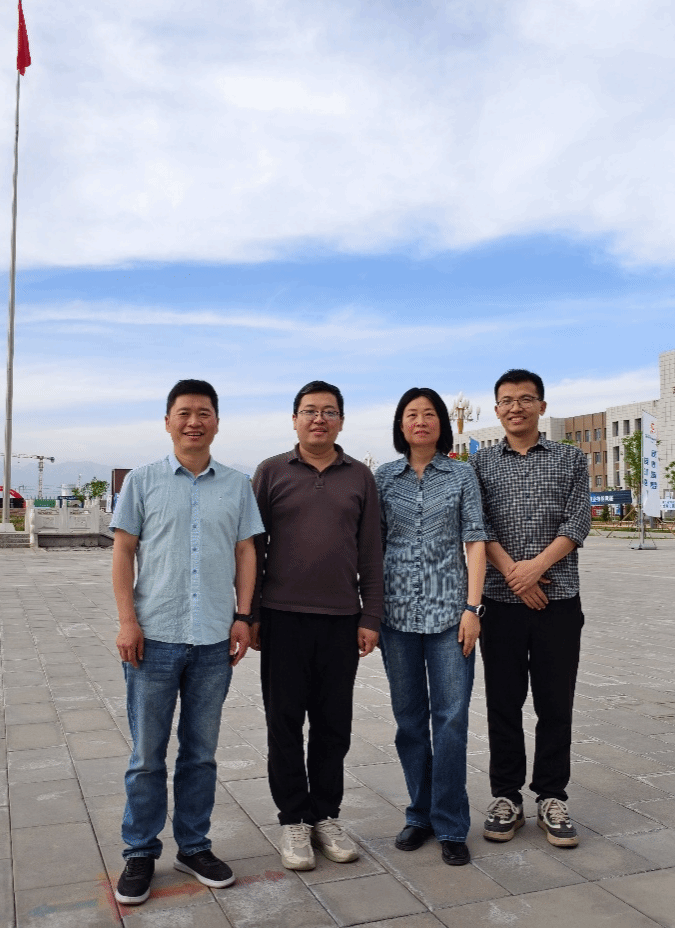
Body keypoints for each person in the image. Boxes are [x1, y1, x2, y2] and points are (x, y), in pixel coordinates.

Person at [110, 379, 265, 905]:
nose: (193, 422)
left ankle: (194, 846)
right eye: (184, 413)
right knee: (147, 755)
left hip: (212, 641)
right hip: (153, 638)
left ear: (217, 422)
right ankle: (139, 850)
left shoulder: (237, 485)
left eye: (203, 413)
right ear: (168, 421)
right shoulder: (142, 481)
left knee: (200, 754)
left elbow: (246, 552)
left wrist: (243, 616)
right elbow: (123, 551)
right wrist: (127, 621)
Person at [249, 380, 384, 871]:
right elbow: (251, 549)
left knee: (333, 726)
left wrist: (371, 615)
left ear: (341, 421)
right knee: (283, 724)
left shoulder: (360, 477)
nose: (319, 419)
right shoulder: (270, 472)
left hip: (341, 621)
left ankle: (326, 815)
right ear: (294, 419)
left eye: (329, 411)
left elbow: (371, 551)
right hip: (282, 618)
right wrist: (250, 613)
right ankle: (293, 820)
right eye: (309, 411)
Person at [472, 368, 591, 848]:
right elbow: (477, 525)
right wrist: (514, 576)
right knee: (503, 703)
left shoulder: (570, 458)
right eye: (507, 400)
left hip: (558, 600)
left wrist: (536, 567)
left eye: (525, 399)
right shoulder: (480, 463)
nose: (516, 407)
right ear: (496, 409)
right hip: (500, 604)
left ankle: (551, 796)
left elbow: (578, 521)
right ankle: (506, 796)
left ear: (542, 406)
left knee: (555, 703)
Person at [374, 387, 488, 866]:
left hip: (450, 617)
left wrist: (473, 608)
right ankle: (419, 814)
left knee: (451, 720)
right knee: (409, 721)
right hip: (396, 617)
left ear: (442, 422)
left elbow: (475, 540)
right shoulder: (383, 478)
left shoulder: (461, 475)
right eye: (411, 414)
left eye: (428, 414)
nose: (420, 421)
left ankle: (451, 824)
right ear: (400, 424)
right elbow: (372, 545)